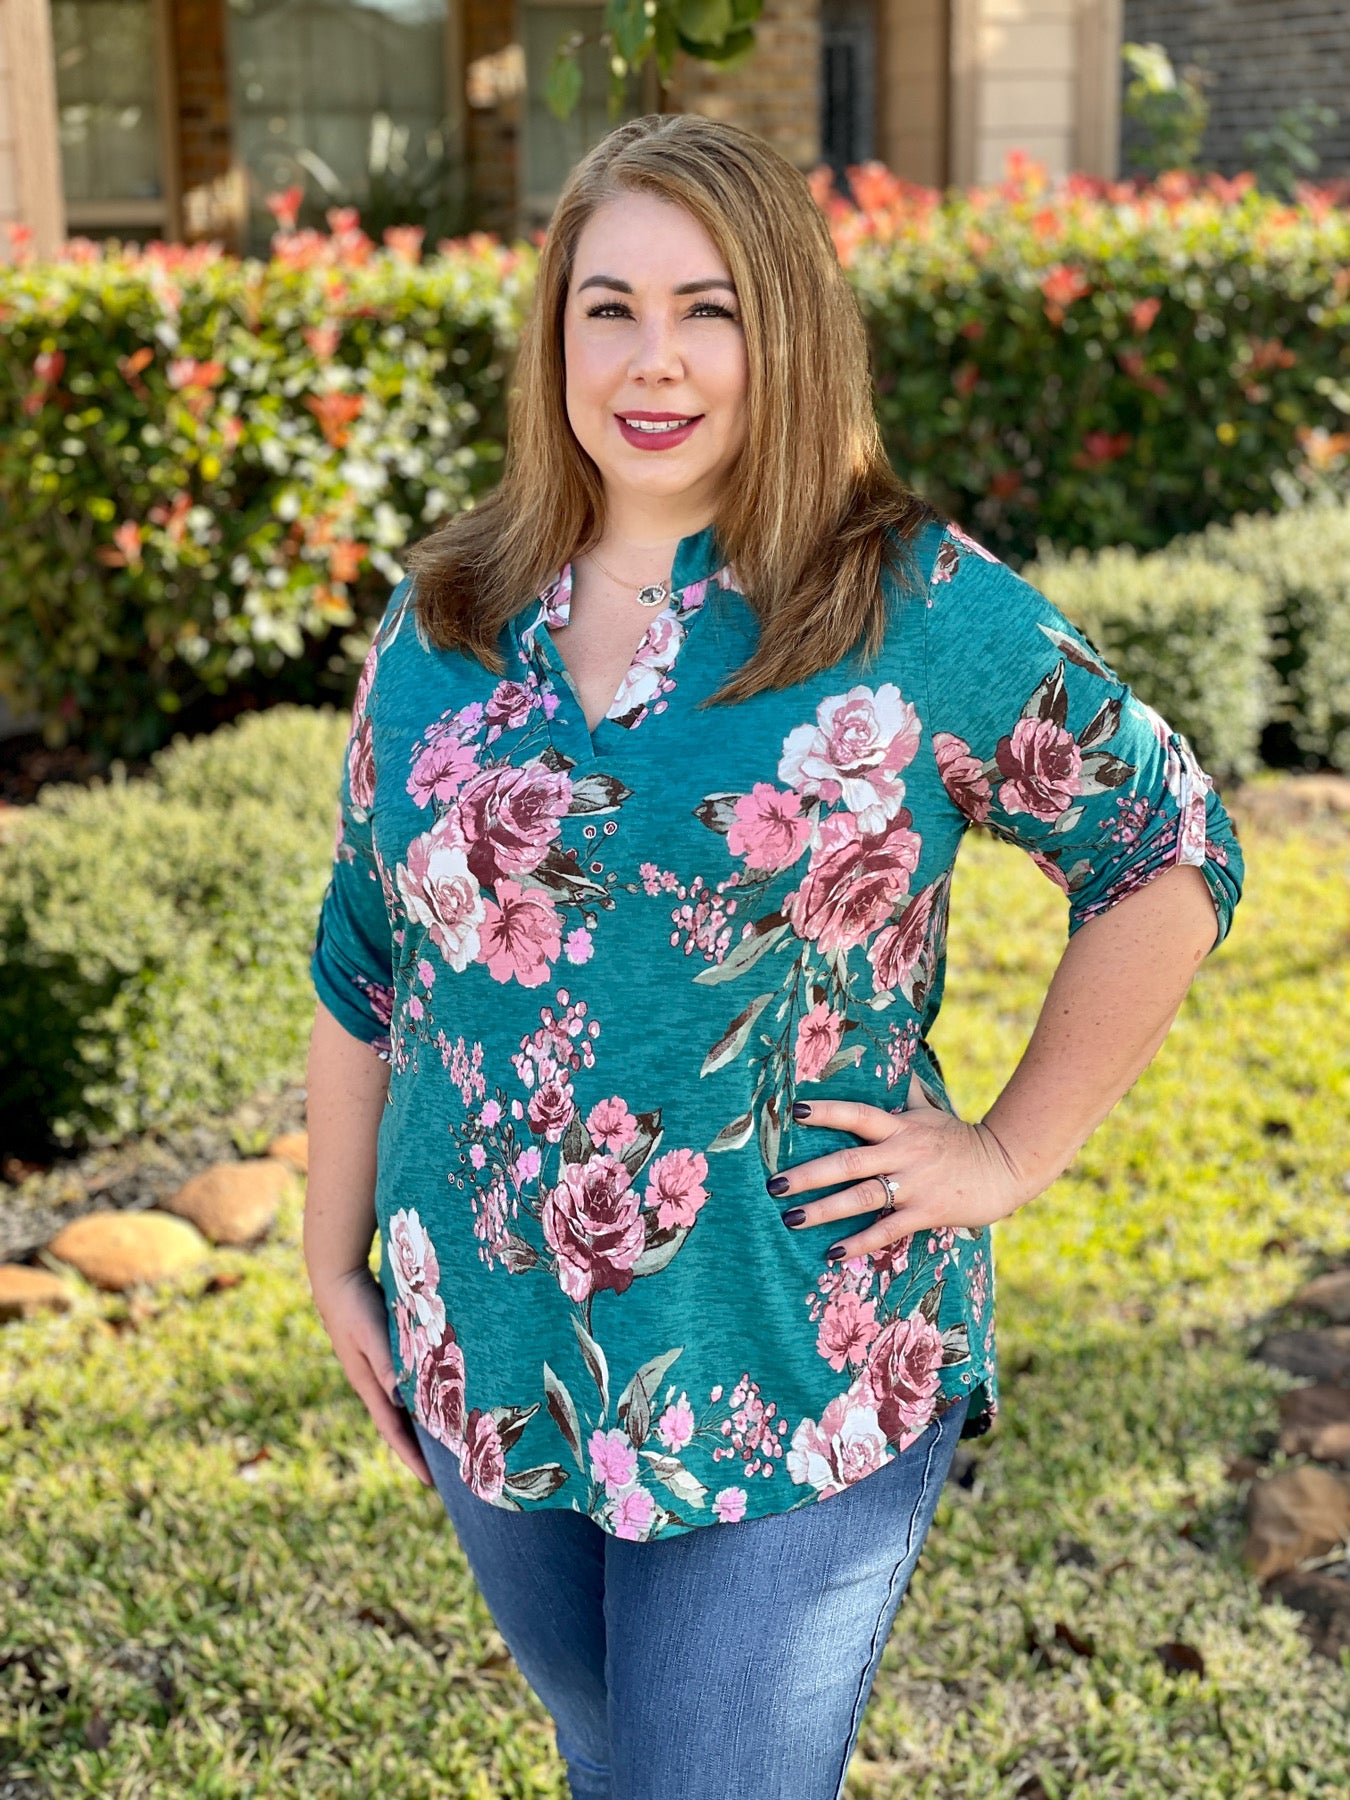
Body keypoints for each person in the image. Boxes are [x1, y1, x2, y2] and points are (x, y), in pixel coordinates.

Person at [303, 113, 1244, 1800]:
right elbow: (366, 950)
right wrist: (331, 1254)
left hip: (795, 1347)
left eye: (709, 307)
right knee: (612, 1757)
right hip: (485, 1342)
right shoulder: (447, 612)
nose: (651, 361)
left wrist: (1013, 1149)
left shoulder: (909, 608)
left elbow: (1164, 850)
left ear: (787, 330)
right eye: (609, 306)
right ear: (555, 333)